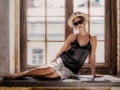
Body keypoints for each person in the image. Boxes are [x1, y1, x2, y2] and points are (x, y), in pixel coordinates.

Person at [4, 11, 100, 80]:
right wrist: (54, 58)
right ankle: (20, 75)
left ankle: (27, 74)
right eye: (76, 23)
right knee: (50, 69)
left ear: (84, 21)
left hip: (72, 69)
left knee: (52, 75)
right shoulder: (72, 37)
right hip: (63, 60)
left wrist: (94, 74)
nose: (79, 24)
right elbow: (62, 50)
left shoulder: (92, 38)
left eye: (80, 21)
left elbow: (92, 57)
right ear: (74, 25)